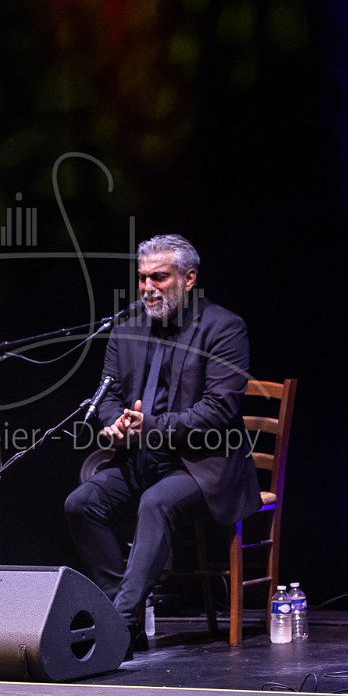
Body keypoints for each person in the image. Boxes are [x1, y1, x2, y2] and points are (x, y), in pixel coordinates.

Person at [64, 234, 260, 655]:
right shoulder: (126, 328)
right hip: (140, 459)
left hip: (204, 465)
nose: (148, 288)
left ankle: (117, 623)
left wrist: (150, 425)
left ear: (189, 279)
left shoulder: (224, 327)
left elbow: (218, 410)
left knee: (156, 503)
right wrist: (115, 422)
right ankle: (124, 615)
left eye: (159, 277)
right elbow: (107, 394)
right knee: (81, 504)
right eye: (142, 278)